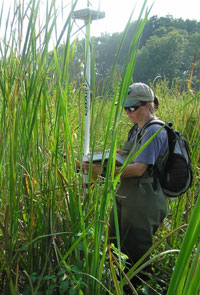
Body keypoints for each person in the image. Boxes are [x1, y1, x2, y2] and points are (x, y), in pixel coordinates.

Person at [82, 82, 168, 287]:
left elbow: (139, 169)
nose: (128, 112)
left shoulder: (154, 131)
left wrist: (103, 172)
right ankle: (119, 286)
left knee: (136, 254)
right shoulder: (136, 130)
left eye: (132, 108)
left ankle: (138, 289)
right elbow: (131, 159)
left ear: (148, 105)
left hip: (143, 200)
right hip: (126, 195)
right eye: (125, 108)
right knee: (116, 244)